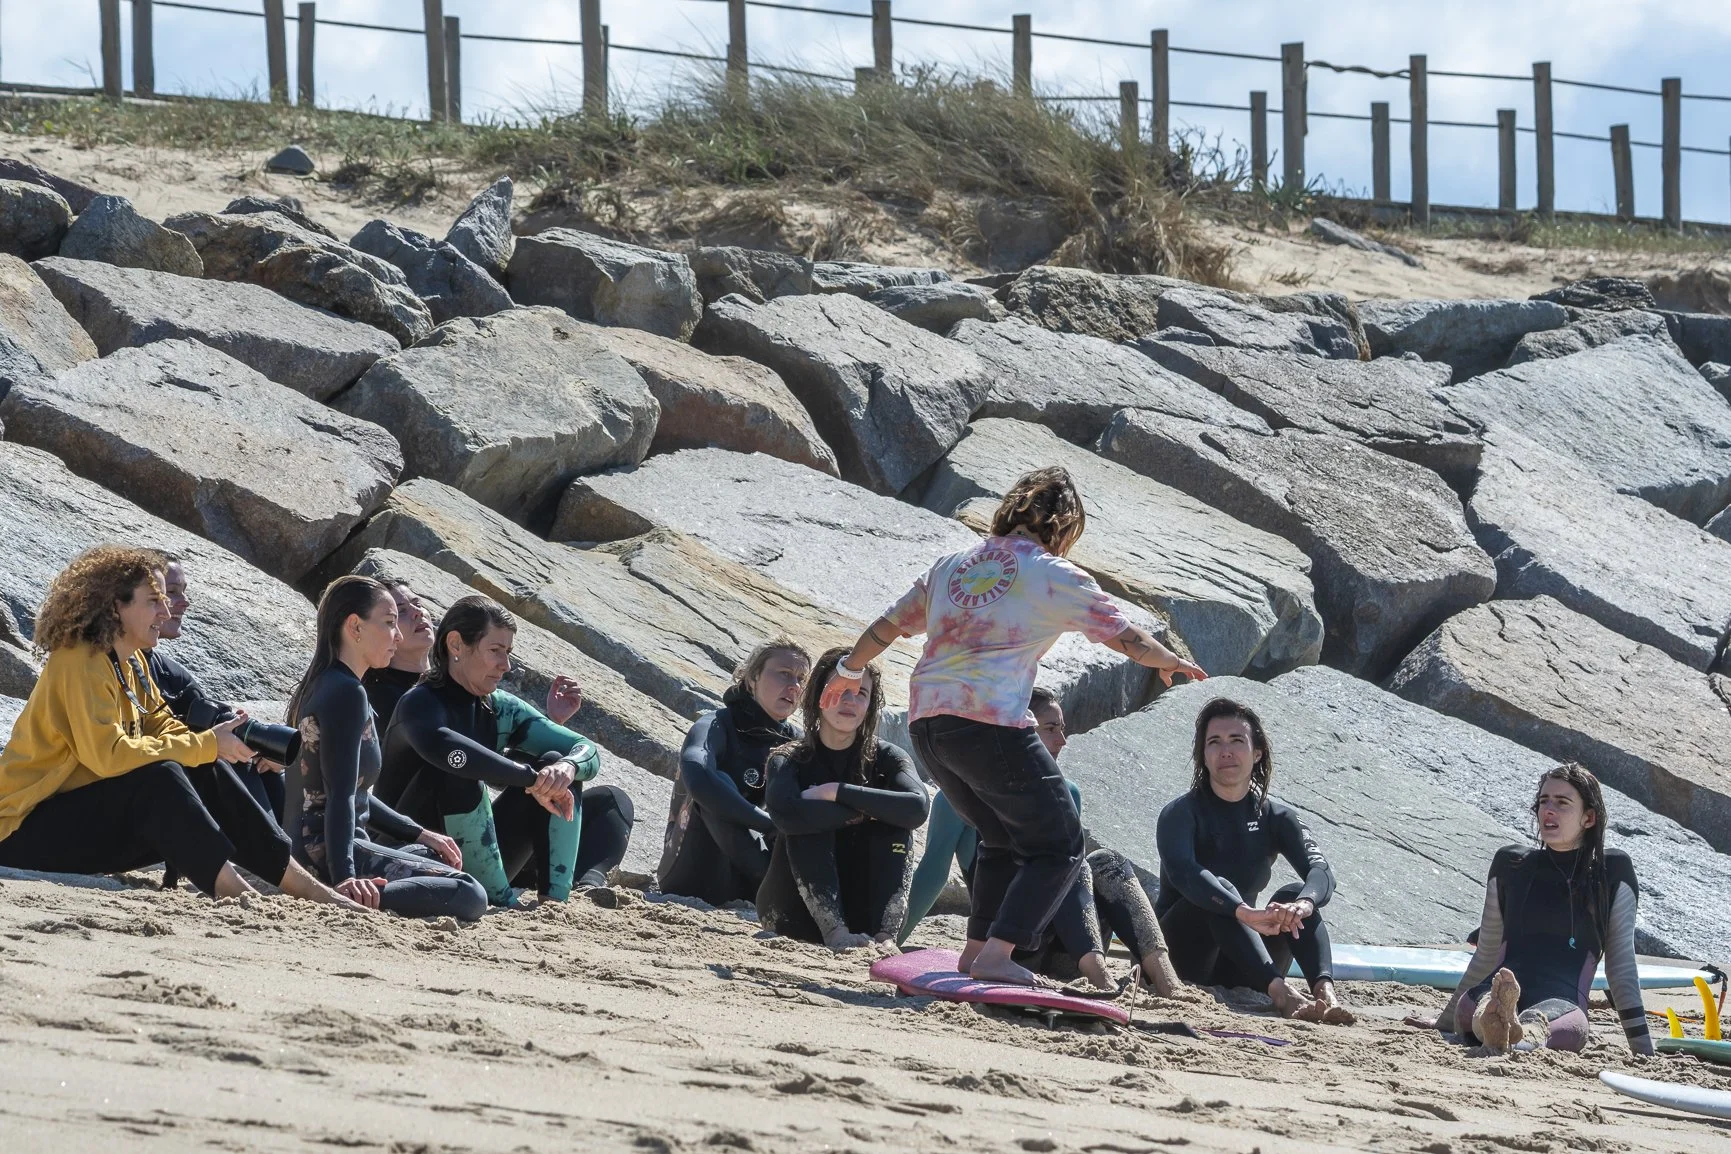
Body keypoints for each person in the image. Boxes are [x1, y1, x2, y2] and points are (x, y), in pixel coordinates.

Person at [824, 466, 1206, 988]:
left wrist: (848, 670)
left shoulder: (951, 566)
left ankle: (977, 949)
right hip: (990, 723)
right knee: (1062, 841)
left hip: (929, 726)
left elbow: (887, 627)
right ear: (1066, 528)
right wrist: (1167, 662)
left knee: (1001, 837)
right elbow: (1125, 636)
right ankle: (999, 953)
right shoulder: (1054, 573)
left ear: (1008, 511)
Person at [0, 546, 354, 908]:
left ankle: (305, 887)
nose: (166, 610)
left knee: (203, 765)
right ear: (115, 606)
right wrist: (204, 745)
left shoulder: (130, 659)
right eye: (154, 600)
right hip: (20, 830)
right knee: (160, 778)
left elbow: (162, 724)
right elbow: (107, 756)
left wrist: (220, 742)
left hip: (78, 822)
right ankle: (238, 894)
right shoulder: (79, 662)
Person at [901, 687, 1188, 997]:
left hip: (1071, 950)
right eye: (1050, 728)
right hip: (1013, 949)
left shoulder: (1067, 793)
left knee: (1107, 861)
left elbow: (1074, 894)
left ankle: (1166, 980)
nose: (1062, 741)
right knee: (1067, 859)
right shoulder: (958, 797)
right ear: (1018, 732)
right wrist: (893, 938)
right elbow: (933, 870)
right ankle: (1099, 974)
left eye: (1062, 729)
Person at [377, 595, 629, 907]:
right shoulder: (420, 704)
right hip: (404, 858)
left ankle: (553, 903)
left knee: (556, 766)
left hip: (473, 861)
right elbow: (449, 751)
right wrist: (532, 779)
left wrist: (566, 768)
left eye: (508, 653)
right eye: (495, 651)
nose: (505, 666)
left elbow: (584, 749)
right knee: (458, 774)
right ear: (456, 645)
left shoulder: (500, 708)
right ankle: (501, 902)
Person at [1412, 764, 1652, 1056]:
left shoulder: (1612, 872)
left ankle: (1507, 1030)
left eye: (1562, 803)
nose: (1548, 810)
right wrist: (1444, 1022)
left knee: (1537, 1021)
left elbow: (1621, 967)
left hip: (1561, 1004)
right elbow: (1486, 955)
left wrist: (1642, 1049)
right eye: (1543, 801)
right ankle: (1504, 1025)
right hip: (1492, 991)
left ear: (1588, 818)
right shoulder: (1510, 864)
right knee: (1485, 1003)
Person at [286, 576, 487, 921]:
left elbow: (352, 788)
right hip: (324, 851)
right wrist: (344, 878)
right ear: (355, 626)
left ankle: (359, 884)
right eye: (390, 623)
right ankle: (353, 895)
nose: (397, 635)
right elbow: (339, 796)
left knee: (430, 853)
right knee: (469, 892)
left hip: (317, 844)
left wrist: (420, 832)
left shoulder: (326, 683)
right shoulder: (347, 692)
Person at [1154, 697, 1352, 1023]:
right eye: (1214, 742)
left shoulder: (1276, 816)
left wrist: (1303, 905)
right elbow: (1185, 874)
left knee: (1292, 895)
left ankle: (1324, 990)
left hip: (1246, 961)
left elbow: (1321, 872)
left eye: (1236, 740)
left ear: (1256, 752)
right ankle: (1282, 993)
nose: (1226, 751)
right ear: (1203, 756)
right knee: (1221, 891)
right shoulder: (1181, 813)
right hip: (1184, 956)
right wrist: (1242, 911)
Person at [756, 648, 928, 949]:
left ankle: (887, 937)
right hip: (790, 915)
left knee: (894, 827)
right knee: (810, 820)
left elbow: (916, 809)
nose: (850, 701)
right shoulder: (789, 758)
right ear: (817, 697)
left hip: (863, 922)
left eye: (861, 693)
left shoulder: (887, 758)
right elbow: (787, 816)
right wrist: (864, 812)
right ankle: (834, 931)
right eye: (840, 691)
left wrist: (838, 791)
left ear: (870, 704)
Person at [658, 639, 810, 906]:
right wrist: (768, 825)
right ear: (752, 678)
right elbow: (698, 776)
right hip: (691, 873)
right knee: (720, 783)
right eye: (784, 674)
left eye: (801, 678)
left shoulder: (796, 743)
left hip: (750, 879)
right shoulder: (716, 725)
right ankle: (780, 888)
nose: (794, 686)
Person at [148, 558, 284, 822]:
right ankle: (279, 854)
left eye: (183, 591)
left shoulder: (168, 672)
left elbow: (213, 718)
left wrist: (258, 747)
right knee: (218, 757)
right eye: (172, 592)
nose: (184, 602)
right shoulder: (107, 667)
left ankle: (283, 847)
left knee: (246, 755)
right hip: (136, 795)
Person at [361, 577, 438, 731]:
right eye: (401, 611)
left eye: (418, 604)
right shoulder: (382, 700)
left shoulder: (454, 682)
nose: (418, 612)